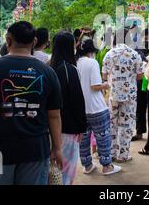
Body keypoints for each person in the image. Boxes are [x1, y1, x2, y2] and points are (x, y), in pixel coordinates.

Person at [0, 21, 63, 185]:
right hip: (35, 151)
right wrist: (57, 147)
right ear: (34, 42)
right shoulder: (48, 72)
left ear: (8, 40)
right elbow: (54, 115)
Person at [76, 39, 121, 175]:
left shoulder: (75, 63)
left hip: (81, 108)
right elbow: (95, 86)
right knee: (103, 137)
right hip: (96, 108)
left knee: (83, 139)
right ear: (92, 51)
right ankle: (107, 166)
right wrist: (107, 84)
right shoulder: (92, 62)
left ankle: (87, 165)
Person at [50, 31, 87, 185]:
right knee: (65, 171)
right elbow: (77, 101)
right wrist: (81, 126)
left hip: (49, 128)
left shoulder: (49, 67)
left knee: (53, 171)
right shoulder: (70, 69)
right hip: (68, 128)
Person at [102, 29, 144, 163]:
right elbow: (140, 75)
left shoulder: (108, 54)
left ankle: (111, 153)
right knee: (126, 125)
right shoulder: (134, 54)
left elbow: (104, 75)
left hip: (113, 95)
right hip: (129, 96)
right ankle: (123, 155)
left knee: (112, 124)